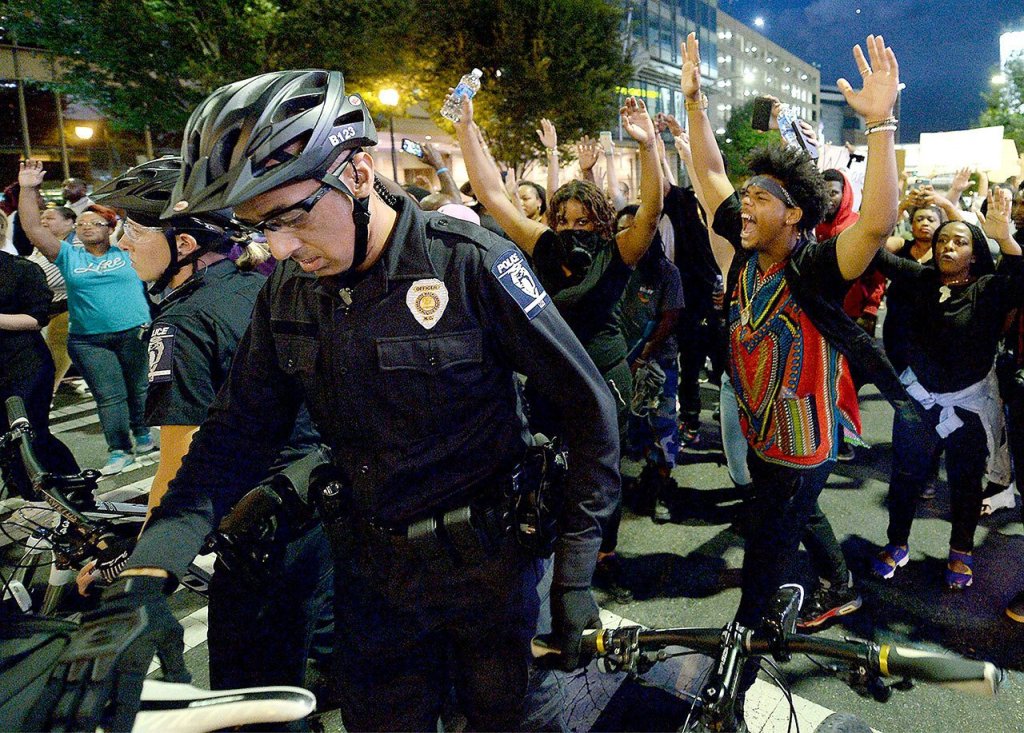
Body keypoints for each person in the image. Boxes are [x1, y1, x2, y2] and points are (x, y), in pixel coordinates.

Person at [28, 69, 618, 733]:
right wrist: (146, 570)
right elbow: (231, 438)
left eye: (292, 218)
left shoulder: (471, 264)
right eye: (257, 227)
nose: (279, 248)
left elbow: (589, 411)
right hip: (373, 584)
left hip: (490, 581)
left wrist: (572, 578)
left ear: (359, 172)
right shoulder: (289, 293)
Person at [681, 31, 902, 713]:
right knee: (766, 535)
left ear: (796, 213)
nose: (743, 203)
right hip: (760, 437)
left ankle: (735, 683)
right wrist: (693, 104)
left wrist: (881, 124)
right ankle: (778, 603)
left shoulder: (812, 268)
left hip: (803, 450)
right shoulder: (742, 260)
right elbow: (708, 174)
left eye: (761, 196)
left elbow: (877, 223)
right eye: (744, 196)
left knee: (763, 563)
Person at [82, 156, 331, 697]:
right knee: (313, 662)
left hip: (259, 520)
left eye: (132, 228)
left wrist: (142, 564)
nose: (120, 242)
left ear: (186, 244)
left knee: (248, 691)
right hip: (317, 500)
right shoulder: (260, 284)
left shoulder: (184, 320)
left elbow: (181, 460)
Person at [455, 93, 663, 603]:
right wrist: (465, 127)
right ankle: (546, 549)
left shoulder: (617, 253)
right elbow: (495, 197)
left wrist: (648, 146)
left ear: (601, 221)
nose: (572, 229)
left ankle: (599, 556)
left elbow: (653, 212)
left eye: (584, 221)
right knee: (547, 468)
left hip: (605, 377)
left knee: (598, 471)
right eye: (564, 219)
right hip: (552, 377)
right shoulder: (544, 248)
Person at [870, 191, 1022, 590]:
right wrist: (889, 209)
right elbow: (874, 253)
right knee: (905, 478)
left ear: (974, 254)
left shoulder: (989, 289)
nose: (947, 247)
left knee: (964, 482)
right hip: (918, 403)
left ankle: (960, 551)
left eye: (959, 242)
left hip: (968, 407)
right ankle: (897, 544)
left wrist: (1006, 240)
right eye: (942, 241)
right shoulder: (920, 280)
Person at [18, 168, 154, 475]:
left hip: (134, 332)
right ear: (74, 231)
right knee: (110, 395)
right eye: (81, 224)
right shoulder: (69, 257)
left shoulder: (125, 251)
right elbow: (32, 229)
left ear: (110, 229)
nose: (87, 226)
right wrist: (28, 189)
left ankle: (144, 434)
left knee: (139, 388)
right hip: (88, 340)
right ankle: (119, 449)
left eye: (96, 223)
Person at [0, 215, 79, 486]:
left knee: (31, 433)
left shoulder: (22, 269)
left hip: (23, 365)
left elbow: (36, 319)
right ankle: (22, 490)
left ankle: (71, 484)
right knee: (5, 438)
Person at [615, 205, 683, 522]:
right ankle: (643, 482)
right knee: (633, 429)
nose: (629, 235)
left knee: (663, 424)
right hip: (621, 362)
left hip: (656, 364)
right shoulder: (614, 268)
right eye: (623, 229)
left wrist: (643, 354)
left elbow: (671, 317)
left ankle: (662, 490)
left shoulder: (667, 272)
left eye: (637, 228)